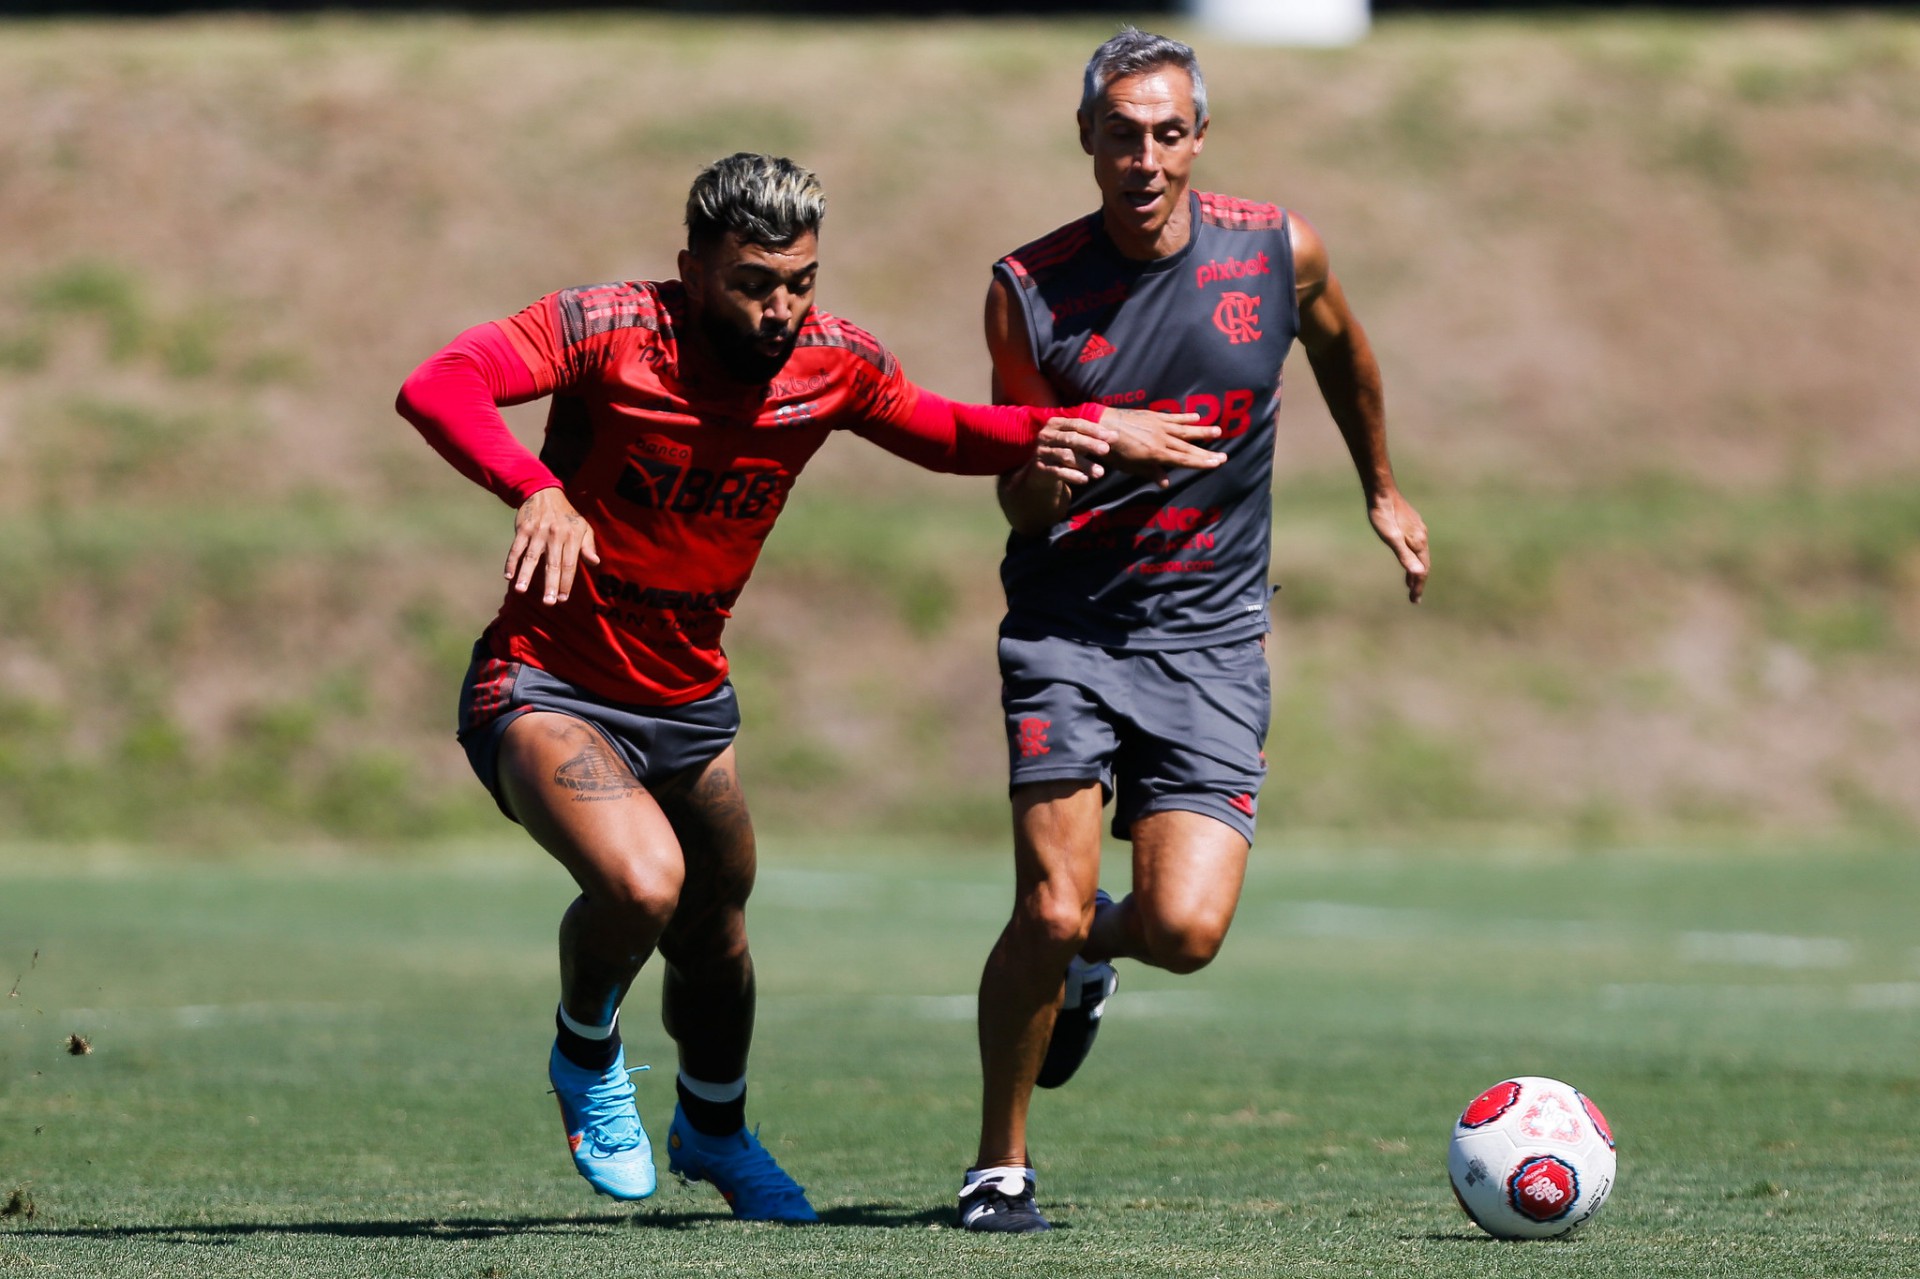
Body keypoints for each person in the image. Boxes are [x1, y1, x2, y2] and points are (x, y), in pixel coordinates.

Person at [395, 152, 1222, 1222]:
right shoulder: (604, 327)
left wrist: (1089, 428)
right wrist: (537, 487)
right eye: (752, 283)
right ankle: (586, 1048)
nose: (781, 308)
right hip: (546, 681)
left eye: (800, 281)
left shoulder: (832, 362)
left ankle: (716, 1129)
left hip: (689, 700)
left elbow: (943, 432)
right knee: (644, 885)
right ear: (692, 269)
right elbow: (438, 384)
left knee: (718, 922)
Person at [959, 31, 1431, 1232]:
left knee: (1184, 928)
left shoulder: (1277, 251)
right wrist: (1085, 440)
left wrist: (1382, 486)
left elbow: (1347, 353)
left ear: (1200, 140)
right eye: (1122, 133)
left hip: (1215, 639)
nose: (1145, 157)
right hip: (1068, 630)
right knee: (1049, 903)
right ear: (1087, 141)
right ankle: (997, 1169)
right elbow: (1017, 490)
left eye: (1169, 133)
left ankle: (1088, 962)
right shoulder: (1028, 289)